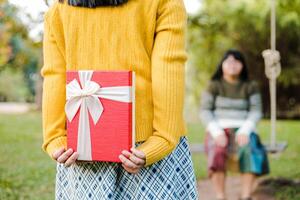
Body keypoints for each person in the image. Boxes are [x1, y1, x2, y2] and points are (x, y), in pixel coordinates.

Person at [41, 0, 198, 199]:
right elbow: (168, 70)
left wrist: (55, 139)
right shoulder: (163, 3)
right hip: (144, 150)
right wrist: (161, 141)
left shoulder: (58, 10)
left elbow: (55, 75)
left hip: (83, 143)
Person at [199, 49, 269, 200]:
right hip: (218, 128)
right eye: (228, 61)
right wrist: (217, 133)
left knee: (249, 150)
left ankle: (246, 196)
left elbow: (256, 111)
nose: (232, 64)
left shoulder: (250, 86)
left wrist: (245, 131)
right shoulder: (214, 85)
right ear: (222, 64)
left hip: (244, 127)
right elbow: (205, 111)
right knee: (217, 151)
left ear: (242, 65)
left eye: (236, 61)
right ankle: (220, 196)